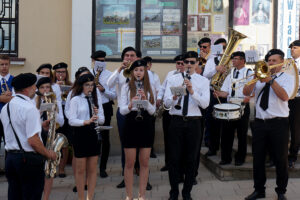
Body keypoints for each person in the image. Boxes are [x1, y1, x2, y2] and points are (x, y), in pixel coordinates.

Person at [243, 49, 293, 200]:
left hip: (279, 124)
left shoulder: (287, 78)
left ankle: (281, 191)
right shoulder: (260, 77)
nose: (270, 63)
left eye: (274, 61)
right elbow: (246, 92)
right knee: (258, 159)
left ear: (282, 63)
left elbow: (284, 96)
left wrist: (270, 80)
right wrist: (253, 80)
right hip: (259, 124)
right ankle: (259, 190)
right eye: (269, 61)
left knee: (280, 159)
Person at [2, 73, 56, 200]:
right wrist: (48, 154)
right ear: (27, 89)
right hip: (27, 161)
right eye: (34, 87)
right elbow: (33, 141)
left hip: (10, 158)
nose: (36, 90)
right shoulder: (29, 108)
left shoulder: (6, 107)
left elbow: (16, 128)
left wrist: (40, 125)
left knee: (15, 196)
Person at [164, 51, 210, 200]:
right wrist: (175, 97)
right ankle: (173, 192)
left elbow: (205, 104)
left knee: (191, 159)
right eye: (186, 62)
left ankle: (187, 192)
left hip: (194, 122)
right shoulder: (173, 79)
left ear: (197, 64)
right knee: (174, 158)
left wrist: (192, 91)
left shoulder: (203, 81)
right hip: (176, 121)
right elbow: (166, 104)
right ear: (182, 64)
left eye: (192, 62)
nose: (189, 65)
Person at [119, 59, 156, 200]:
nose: (138, 73)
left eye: (141, 70)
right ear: (132, 72)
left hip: (146, 123)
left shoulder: (150, 86)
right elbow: (122, 111)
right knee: (129, 163)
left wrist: (146, 101)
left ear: (145, 71)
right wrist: (130, 105)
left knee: (145, 162)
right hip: (131, 123)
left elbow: (153, 112)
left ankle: (142, 196)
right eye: (136, 70)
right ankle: (129, 196)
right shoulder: (126, 87)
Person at [69, 73, 105, 200]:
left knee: (92, 169)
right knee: (80, 170)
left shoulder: (95, 98)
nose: (90, 88)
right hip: (80, 134)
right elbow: (72, 120)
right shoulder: (75, 100)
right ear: (81, 86)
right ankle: (81, 197)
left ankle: (90, 197)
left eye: (92, 85)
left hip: (93, 134)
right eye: (87, 85)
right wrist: (86, 121)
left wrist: (97, 115)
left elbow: (102, 120)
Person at [213, 51, 252, 166]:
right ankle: (226, 158)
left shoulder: (249, 73)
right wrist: (219, 94)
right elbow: (226, 92)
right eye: (233, 59)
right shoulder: (230, 74)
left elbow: (253, 91)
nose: (233, 61)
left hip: (242, 106)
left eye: (236, 58)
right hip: (230, 106)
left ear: (243, 60)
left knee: (241, 134)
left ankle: (240, 158)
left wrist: (248, 97)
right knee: (226, 134)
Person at [34, 77, 64, 200]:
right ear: (38, 90)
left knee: (49, 169)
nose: (45, 90)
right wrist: (41, 111)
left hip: (50, 138)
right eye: (42, 88)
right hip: (38, 138)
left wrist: (53, 111)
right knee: (38, 170)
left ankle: (45, 197)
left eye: (47, 87)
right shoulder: (33, 103)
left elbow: (61, 122)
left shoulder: (56, 102)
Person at [156, 55, 185, 172]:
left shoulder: (189, 76)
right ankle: (168, 163)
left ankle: (180, 165)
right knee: (168, 138)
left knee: (180, 140)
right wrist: (159, 98)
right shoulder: (170, 74)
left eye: (182, 63)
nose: (180, 66)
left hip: (181, 111)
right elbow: (163, 88)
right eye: (178, 63)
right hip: (169, 109)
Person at [91, 50, 116, 178]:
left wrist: (103, 90)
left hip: (105, 107)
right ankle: (91, 168)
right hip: (90, 106)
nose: (101, 63)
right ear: (93, 61)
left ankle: (103, 167)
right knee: (92, 137)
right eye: (98, 60)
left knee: (105, 138)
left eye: (103, 60)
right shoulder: (87, 73)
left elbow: (114, 95)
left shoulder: (110, 75)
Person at [203, 38, 227, 156]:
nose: (222, 50)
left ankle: (225, 150)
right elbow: (205, 75)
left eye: (224, 47)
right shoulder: (211, 61)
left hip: (225, 94)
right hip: (213, 93)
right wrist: (216, 69)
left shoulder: (230, 61)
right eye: (219, 47)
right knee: (212, 121)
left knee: (225, 123)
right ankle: (212, 148)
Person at [52, 62, 73, 178]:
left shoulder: (71, 84)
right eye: (59, 72)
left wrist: (69, 92)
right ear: (54, 73)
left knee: (65, 143)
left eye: (63, 72)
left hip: (67, 113)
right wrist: (57, 89)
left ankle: (62, 168)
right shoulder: (51, 85)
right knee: (54, 143)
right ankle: (53, 166)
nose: (61, 74)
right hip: (56, 113)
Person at [143, 56, 161, 158]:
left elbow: (159, 89)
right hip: (140, 107)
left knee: (151, 129)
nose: (147, 67)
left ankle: (151, 149)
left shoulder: (154, 76)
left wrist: (158, 99)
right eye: (145, 65)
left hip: (151, 106)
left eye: (148, 65)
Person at [0, 55, 13, 175]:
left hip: (10, 118)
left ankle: (9, 170)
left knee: (9, 143)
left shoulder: (15, 80)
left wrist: (9, 98)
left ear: (9, 65)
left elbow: (17, 98)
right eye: (1, 64)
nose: (4, 67)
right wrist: (2, 98)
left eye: (6, 64)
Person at [288, 40, 300, 168]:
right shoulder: (288, 63)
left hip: (298, 99)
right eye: (291, 48)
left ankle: (292, 156)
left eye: (295, 48)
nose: (292, 50)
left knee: (295, 129)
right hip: (286, 98)